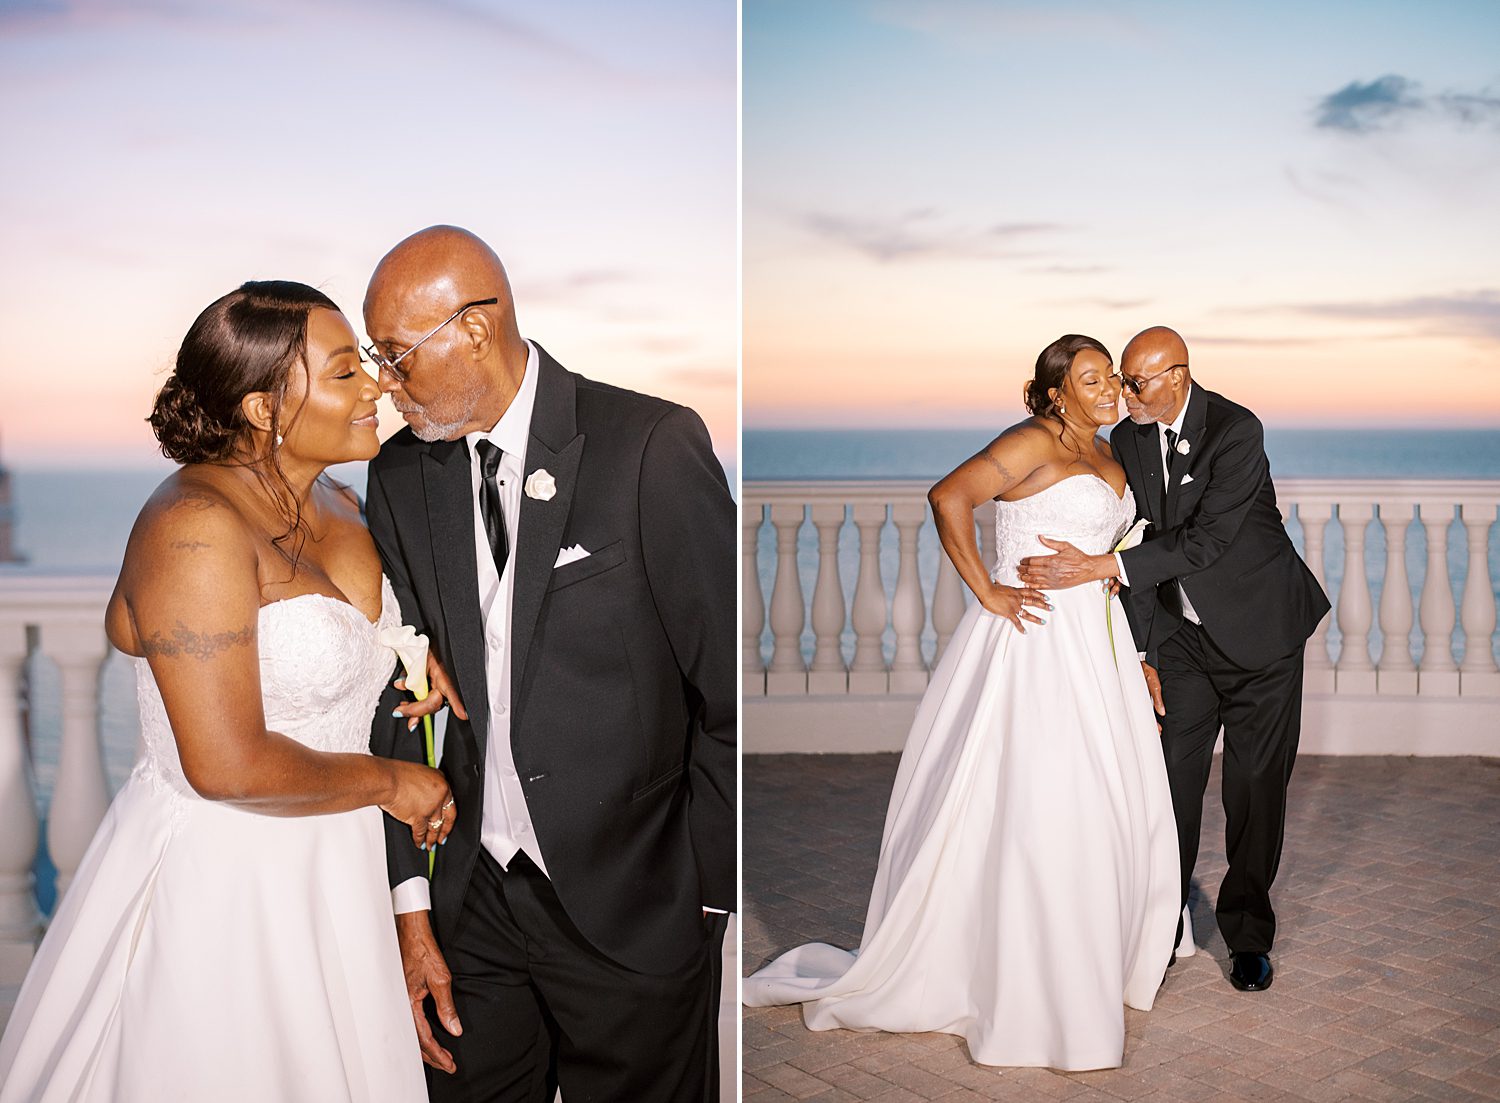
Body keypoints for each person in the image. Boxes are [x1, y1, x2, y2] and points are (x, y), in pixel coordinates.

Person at [0, 282, 455, 1100]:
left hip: (337, 877)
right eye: (347, 372)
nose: (378, 387)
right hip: (232, 884)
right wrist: (395, 783)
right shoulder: (193, 526)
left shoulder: (339, 501)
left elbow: (359, 638)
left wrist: (409, 657)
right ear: (264, 407)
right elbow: (224, 761)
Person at [361, 226, 736, 1101]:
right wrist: (413, 912)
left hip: (637, 910)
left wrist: (706, 897)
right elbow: (397, 697)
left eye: (397, 356)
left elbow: (720, 691)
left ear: (476, 331)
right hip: (471, 917)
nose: (385, 383)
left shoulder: (649, 444)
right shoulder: (399, 475)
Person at [744, 335, 1179, 1072]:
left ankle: (1092, 959)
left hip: (1096, 651)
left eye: (1112, 375)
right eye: (1091, 377)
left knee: (1103, 806)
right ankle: (1026, 981)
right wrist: (989, 588)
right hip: (1034, 642)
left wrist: (1129, 639)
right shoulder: (1031, 440)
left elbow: (1118, 553)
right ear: (1054, 394)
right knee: (1035, 810)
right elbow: (950, 496)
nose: (1109, 387)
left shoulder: (1114, 454)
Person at [1018, 326, 1329, 993]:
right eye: (1121, 379)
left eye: (1137, 381)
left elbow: (1205, 539)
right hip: (1182, 640)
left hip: (1260, 637)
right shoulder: (1129, 438)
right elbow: (1136, 526)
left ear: (1178, 377)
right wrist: (1142, 644)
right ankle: (1163, 921)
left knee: (1253, 789)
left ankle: (1248, 933)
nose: (1125, 393)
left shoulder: (1237, 431)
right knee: (1167, 783)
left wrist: (1103, 565)